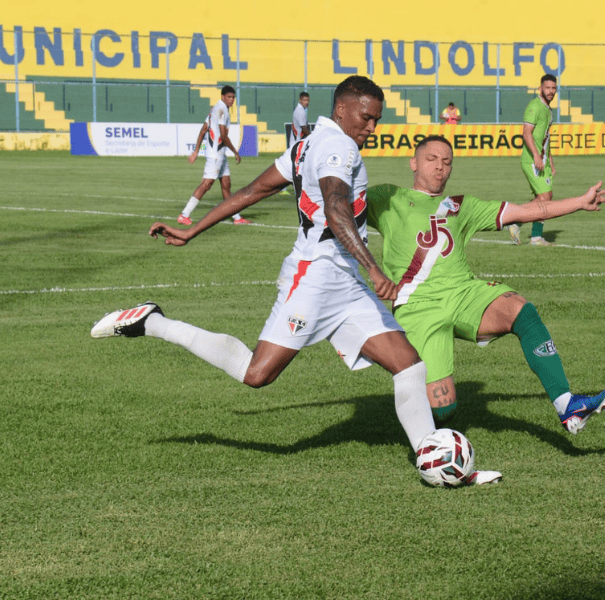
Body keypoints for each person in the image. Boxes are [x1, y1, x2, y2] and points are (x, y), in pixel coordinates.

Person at [90, 77, 501, 486]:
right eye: (366, 117)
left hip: (345, 280)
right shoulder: (337, 146)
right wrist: (373, 267)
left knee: (407, 364)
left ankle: (440, 465)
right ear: (342, 109)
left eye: (377, 119)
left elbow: (255, 190)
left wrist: (193, 229)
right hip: (316, 277)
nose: (371, 127)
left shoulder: (309, 142)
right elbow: (337, 209)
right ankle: (152, 321)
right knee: (257, 374)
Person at [366, 135, 605, 433]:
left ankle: (567, 405)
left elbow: (525, 211)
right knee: (443, 410)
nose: (440, 167)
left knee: (521, 310)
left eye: (447, 162)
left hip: (463, 294)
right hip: (418, 308)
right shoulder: (386, 197)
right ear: (413, 163)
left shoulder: (460, 205)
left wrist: (579, 202)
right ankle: (432, 444)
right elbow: (340, 208)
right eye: (432, 159)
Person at [179, 85, 251, 226]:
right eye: (229, 97)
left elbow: (204, 129)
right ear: (223, 96)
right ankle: (184, 214)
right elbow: (223, 136)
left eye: (233, 97)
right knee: (206, 184)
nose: (231, 100)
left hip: (219, 154)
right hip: (216, 154)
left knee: (226, 185)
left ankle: (236, 218)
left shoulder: (214, 109)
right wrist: (235, 152)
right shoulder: (222, 110)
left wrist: (196, 151)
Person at [509, 74, 558, 246]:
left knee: (546, 197)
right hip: (531, 160)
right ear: (540, 88)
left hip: (541, 160)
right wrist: (537, 156)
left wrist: (549, 160)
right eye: (548, 88)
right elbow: (526, 133)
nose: (551, 91)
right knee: (545, 196)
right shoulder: (534, 106)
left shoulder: (548, 109)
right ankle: (516, 221)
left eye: (553, 88)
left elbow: (544, 137)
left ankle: (535, 235)